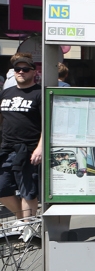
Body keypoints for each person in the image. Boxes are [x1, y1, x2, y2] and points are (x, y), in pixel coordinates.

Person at [0, 54, 42, 219]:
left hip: (29, 150)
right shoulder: (6, 93)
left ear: (33, 72)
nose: (21, 72)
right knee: (2, 189)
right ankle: (23, 221)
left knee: (28, 192)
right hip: (6, 149)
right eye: (18, 69)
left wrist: (40, 148)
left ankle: (28, 231)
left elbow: (47, 123)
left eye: (25, 69)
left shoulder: (39, 93)